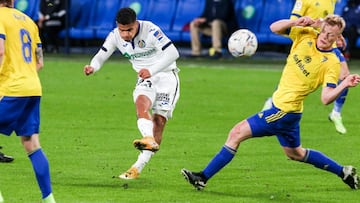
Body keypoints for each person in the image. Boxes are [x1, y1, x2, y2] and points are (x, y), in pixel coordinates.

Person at [181, 15, 360, 191]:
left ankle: (202, 177)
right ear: (321, 28)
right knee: (296, 153)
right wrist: (295, 21)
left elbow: (326, 98)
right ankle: (343, 172)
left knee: (236, 133)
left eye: (331, 35)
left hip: (284, 111)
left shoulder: (331, 62)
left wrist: (344, 83)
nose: (325, 37)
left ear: (338, 38)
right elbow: (274, 28)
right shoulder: (305, 34)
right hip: (291, 112)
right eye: (324, 32)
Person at [84, 7, 180, 180]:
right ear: (117, 26)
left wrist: (151, 70)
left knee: (158, 121)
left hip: (166, 77)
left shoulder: (150, 29)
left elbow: (173, 53)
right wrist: (93, 67)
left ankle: (138, 167)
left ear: (136, 24)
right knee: (141, 105)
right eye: (122, 30)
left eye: (129, 30)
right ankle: (148, 138)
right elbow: (101, 55)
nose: (126, 34)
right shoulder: (115, 35)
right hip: (145, 78)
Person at [262, 0, 351, 134]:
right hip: (308, 37)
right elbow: (294, 20)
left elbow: (330, 23)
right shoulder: (304, 1)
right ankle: (273, 100)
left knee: (344, 75)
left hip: (326, 42)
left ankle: (336, 113)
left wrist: (337, 35)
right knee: (298, 73)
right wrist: (311, 24)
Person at [0, 0, 56, 202]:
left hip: (10, 88)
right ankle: (49, 199)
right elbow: (39, 61)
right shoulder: (28, 21)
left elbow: (0, 50)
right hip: (32, 87)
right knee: (31, 143)